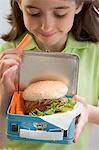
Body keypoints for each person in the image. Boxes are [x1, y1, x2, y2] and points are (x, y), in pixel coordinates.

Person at [0, 0, 99, 149]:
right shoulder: (5, 57)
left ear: (78, 5)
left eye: (60, 14)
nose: (46, 26)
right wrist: (4, 95)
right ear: (20, 4)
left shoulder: (95, 54)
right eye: (34, 13)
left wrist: (87, 111)